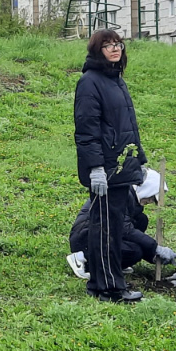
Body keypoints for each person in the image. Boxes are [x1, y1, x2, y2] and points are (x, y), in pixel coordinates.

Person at [73, 29, 146, 303]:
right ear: (97, 51)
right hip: (106, 169)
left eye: (118, 44)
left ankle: (105, 283)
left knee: (113, 228)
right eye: (108, 46)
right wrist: (96, 168)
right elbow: (86, 130)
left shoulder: (116, 80)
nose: (115, 49)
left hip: (121, 167)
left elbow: (127, 128)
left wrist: (138, 160)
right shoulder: (90, 82)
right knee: (104, 229)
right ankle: (109, 288)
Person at [66, 168, 176, 280]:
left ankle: (114, 263)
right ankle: (83, 257)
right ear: (147, 188)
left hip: (103, 235)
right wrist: (155, 247)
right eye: (152, 197)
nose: (150, 201)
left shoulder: (132, 199)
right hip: (86, 238)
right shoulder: (121, 195)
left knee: (141, 220)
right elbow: (125, 229)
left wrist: (153, 255)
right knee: (134, 251)